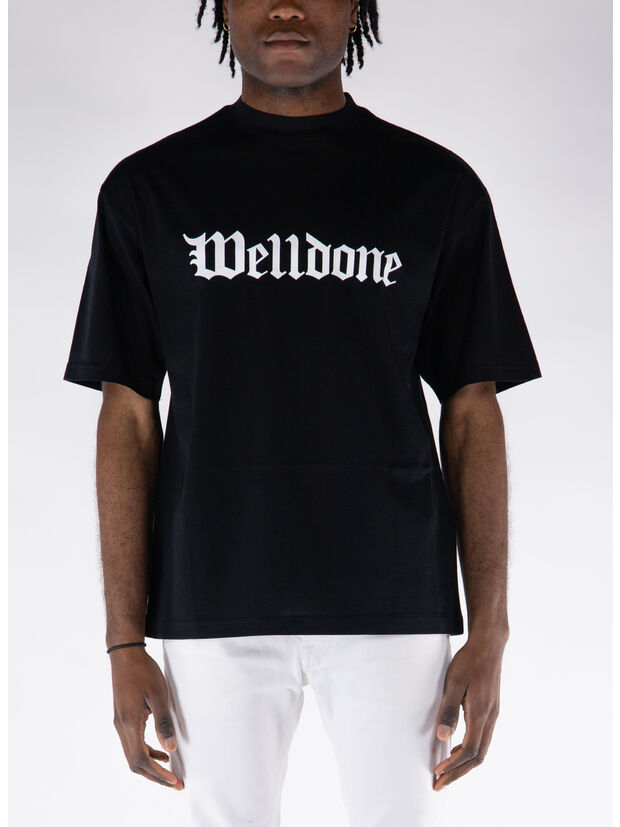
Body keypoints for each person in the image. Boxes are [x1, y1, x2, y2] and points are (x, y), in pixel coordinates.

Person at [62, 1, 542, 824]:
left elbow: (472, 407)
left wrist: (490, 630)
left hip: (395, 597)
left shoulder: (436, 187)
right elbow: (129, 413)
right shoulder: (149, 190)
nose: (285, 6)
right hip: (211, 596)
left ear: (357, 5)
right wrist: (124, 639)